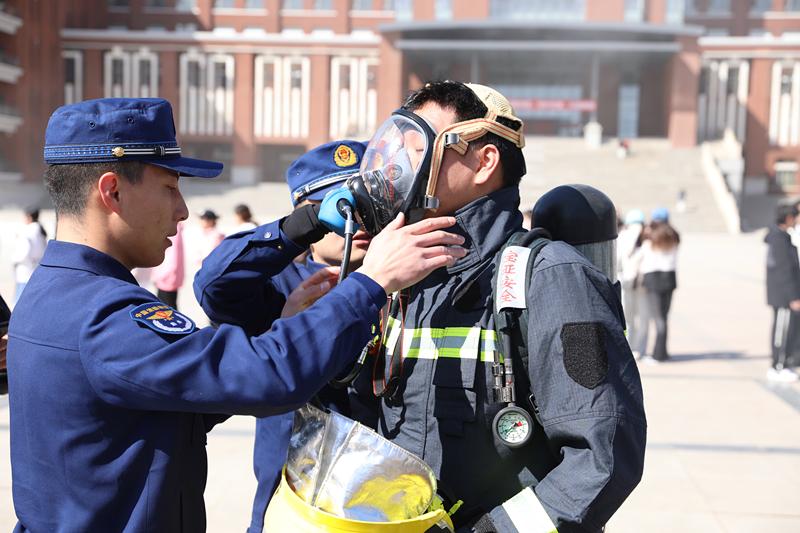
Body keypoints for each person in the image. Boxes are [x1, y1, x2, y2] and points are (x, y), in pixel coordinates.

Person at [198, 81, 647, 532]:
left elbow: (602, 459)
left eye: (415, 151)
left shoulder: (551, 276)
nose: (395, 168)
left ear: (484, 162)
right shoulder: (403, 276)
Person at [6, 97, 466, 532]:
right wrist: (372, 282)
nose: (182, 210)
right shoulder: (102, 317)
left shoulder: (54, 294)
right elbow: (266, 377)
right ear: (112, 191)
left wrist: (287, 326)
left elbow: (188, 400)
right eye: (169, 187)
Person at [247, 139, 374, 533]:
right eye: (340, 208)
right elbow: (213, 285)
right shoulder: (277, 285)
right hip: (291, 496)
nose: (358, 220)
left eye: (366, 205)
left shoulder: (403, 282)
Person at [634, 209, 680, 363]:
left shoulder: (651, 238)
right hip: (669, 278)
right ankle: (663, 352)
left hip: (653, 278)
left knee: (658, 319)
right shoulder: (674, 236)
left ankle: (658, 355)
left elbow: (640, 255)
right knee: (664, 317)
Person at [765, 203, 800, 382]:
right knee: (781, 330)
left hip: (786, 293)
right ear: (788, 218)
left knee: (789, 330)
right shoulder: (778, 239)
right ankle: (777, 366)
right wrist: (793, 296)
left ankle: (785, 363)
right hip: (783, 295)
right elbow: (784, 271)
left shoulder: (783, 237)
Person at [618, 209, 647, 354]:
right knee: (636, 318)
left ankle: (635, 349)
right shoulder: (626, 236)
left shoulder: (646, 239)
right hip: (634, 283)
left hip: (635, 283)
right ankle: (635, 348)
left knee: (634, 318)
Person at [10, 206, 48, 305]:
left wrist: (15, 260)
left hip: (25, 269)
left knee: (20, 302)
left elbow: (24, 251)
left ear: (29, 217)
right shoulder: (40, 230)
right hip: (36, 268)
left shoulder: (27, 231)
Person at [150, 220, 185, 309]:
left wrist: (159, 276)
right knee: (167, 305)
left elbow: (173, 255)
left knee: (167, 307)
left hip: (167, 276)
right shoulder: (173, 228)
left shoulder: (173, 229)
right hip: (167, 275)